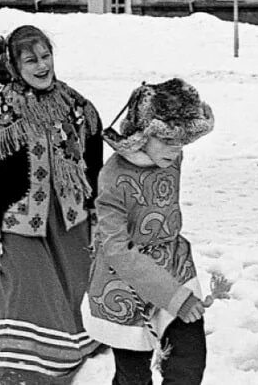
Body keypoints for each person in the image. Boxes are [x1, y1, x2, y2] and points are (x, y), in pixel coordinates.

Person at [0, 25, 103, 384]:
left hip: (70, 217)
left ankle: (82, 345)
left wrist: (95, 208)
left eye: (46, 56)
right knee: (31, 292)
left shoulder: (75, 104)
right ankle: (29, 367)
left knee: (76, 286)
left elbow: (93, 158)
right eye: (31, 60)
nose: (42, 66)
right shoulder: (2, 111)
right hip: (21, 221)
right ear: (15, 65)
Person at [85, 79, 215, 385]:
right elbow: (116, 250)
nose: (176, 150)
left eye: (181, 141)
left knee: (189, 362)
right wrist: (174, 297)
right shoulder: (113, 178)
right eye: (167, 140)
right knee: (133, 377)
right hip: (123, 283)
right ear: (142, 135)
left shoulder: (171, 157)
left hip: (173, 266)